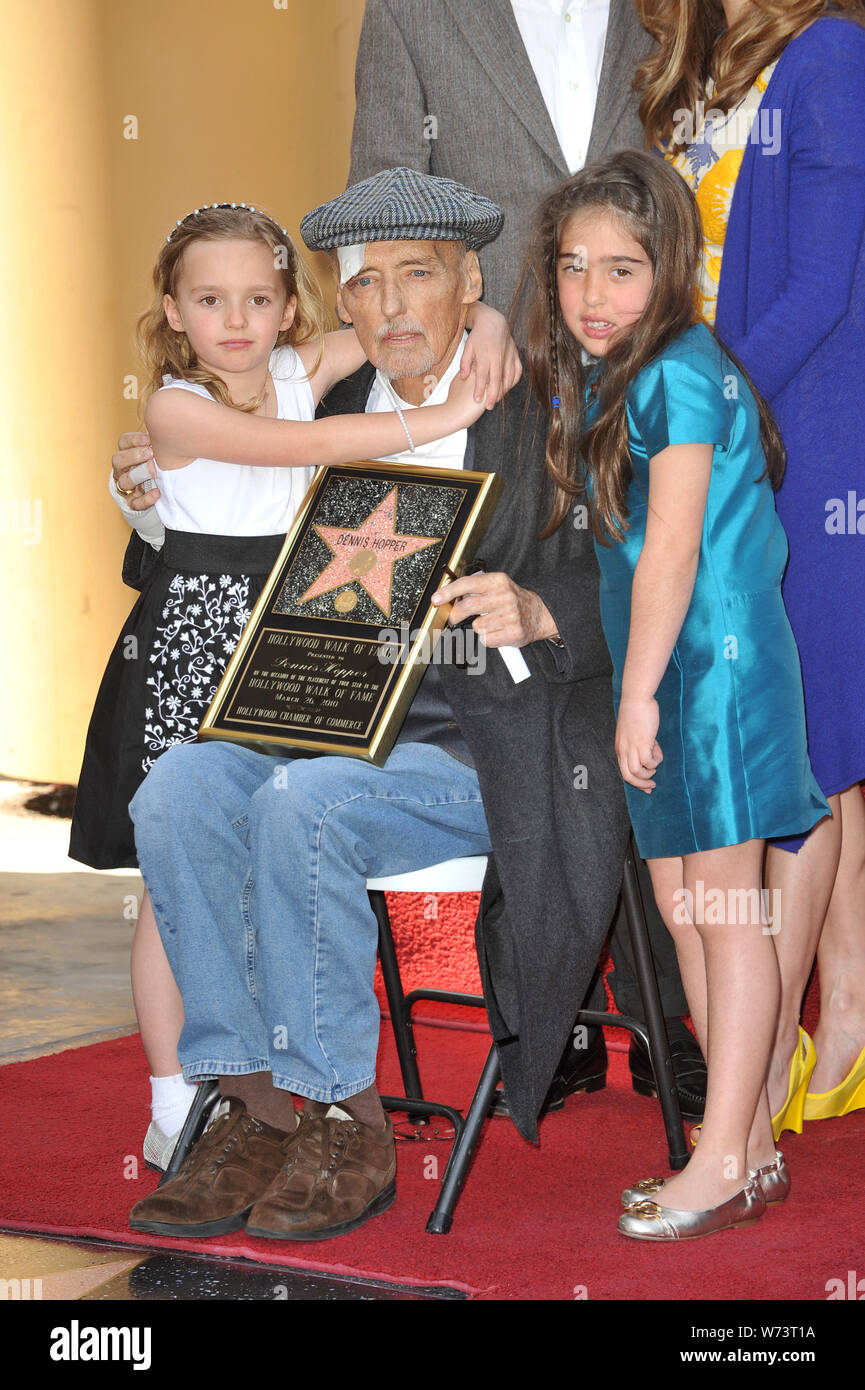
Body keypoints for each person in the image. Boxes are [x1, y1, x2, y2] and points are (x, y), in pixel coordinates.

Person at [125, 166, 630, 1243]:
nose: (394, 307)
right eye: (367, 283)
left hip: (492, 743)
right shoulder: (326, 403)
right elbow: (204, 511)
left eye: (421, 277)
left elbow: (649, 576)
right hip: (329, 720)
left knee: (304, 803)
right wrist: (139, 484)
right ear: (340, 304)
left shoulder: (551, 401)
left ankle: (343, 1116)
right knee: (178, 787)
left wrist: (540, 610)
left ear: (469, 286)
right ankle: (252, 1103)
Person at [69, 195, 516, 1171]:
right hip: (209, 651)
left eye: (259, 297)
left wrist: (490, 319)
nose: (236, 318)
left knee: (291, 804)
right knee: (177, 819)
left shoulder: (314, 373)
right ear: (175, 311)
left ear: (284, 308)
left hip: (388, 711)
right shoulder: (208, 404)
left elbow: (414, 319)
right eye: (211, 299)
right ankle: (206, 1098)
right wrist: (444, 414)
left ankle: (330, 1119)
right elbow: (292, 458)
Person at [346, 0, 706, 1119]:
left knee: (646, 659)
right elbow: (381, 194)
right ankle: (544, 1006)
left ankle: (663, 1009)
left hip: (647, 365)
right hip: (498, 390)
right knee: (525, 663)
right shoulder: (410, 11)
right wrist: (468, 319)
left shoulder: (669, 10)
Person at [524, 149, 828, 1240]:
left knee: (723, 907)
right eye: (573, 268)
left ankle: (722, 1156)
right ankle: (743, 1145)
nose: (592, 294)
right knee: (680, 906)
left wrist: (638, 695)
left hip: (717, 670)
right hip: (666, 667)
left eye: (621, 269)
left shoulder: (680, 370)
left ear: (670, 273)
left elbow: (670, 552)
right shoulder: (607, 370)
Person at [634, 0, 865, 1134]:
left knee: (811, 748)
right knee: (827, 748)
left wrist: (708, 412)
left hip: (803, 445)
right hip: (727, 435)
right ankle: (844, 1031)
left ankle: (767, 1060)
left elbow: (821, 286)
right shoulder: (687, 62)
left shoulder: (827, 50)